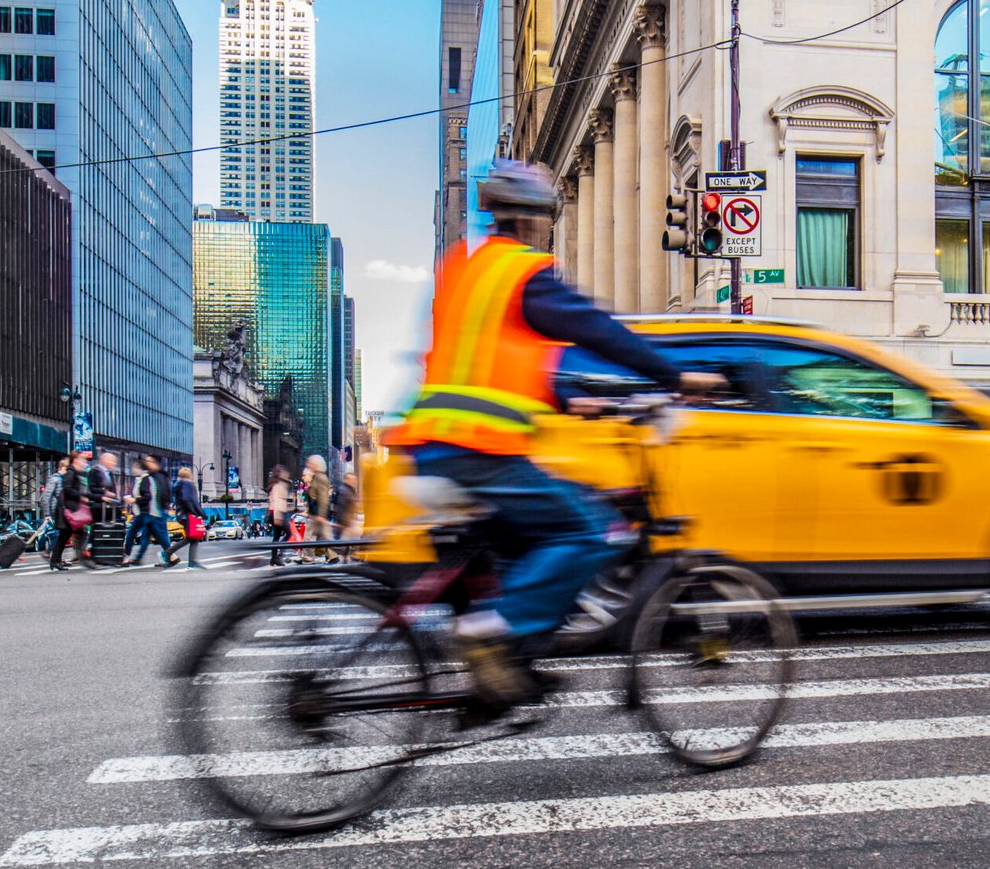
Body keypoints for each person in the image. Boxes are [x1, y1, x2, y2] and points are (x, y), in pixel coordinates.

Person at [386, 159, 721, 714]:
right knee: (589, 530)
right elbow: (598, 329)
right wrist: (674, 375)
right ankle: (494, 632)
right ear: (534, 219)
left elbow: (490, 362)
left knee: (521, 544)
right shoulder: (524, 273)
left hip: (434, 446)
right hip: (480, 449)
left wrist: (576, 401)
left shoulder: (469, 270)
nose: (548, 229)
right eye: (547, 217)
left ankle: (505, 672)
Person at [126, 455, 176, 566]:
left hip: (157, 510)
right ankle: (138, 558)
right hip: (154, 510)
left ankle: (170, 556)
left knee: (160, 535)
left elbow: (160, 494)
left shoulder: (158, 476)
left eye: (149, 461)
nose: (147, 463)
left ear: (156, 463)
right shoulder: (155, 475)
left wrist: (162, 507)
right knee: (147, 536)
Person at [50, 451, 94, 570]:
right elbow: (67, 489)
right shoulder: (71, 472)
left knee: (65, 536)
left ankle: (55, 561)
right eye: (82, 459)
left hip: (72, 509)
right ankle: (84, 559)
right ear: (75, 459)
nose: (84, 462)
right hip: (69, 510)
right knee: (78, 534)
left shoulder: (78, 473)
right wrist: (80, 496)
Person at [302, 455, 335, 563]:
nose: (309, 465)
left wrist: (321, 514)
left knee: (310, 537)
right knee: (322, 536)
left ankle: (308, 557)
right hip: (315, 513)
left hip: (317, 513)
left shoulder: (320, 478)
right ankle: (332, 556)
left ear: (317, 464)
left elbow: (323, 497)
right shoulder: (317, 477)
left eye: (310, 463)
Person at [172, 467, 206, 569]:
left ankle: (192, 562)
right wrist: (197, 512)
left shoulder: (179, 484)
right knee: (190, 538)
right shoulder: (187, 484)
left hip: (182, 514)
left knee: (193, 538)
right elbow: (188, 499)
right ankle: (167, 553)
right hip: (187, 515)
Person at [265, 466, 293, 566]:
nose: (287, 474)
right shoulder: (277, 485)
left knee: (277, 536)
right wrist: (277, 516)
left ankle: (274, 558)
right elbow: (276, 500)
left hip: (279, 512)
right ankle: (279, 555)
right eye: (284, 473)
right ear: (279, 474)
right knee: (289, 533)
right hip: (277, 513)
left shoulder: (281, 484)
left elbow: (282, 501)